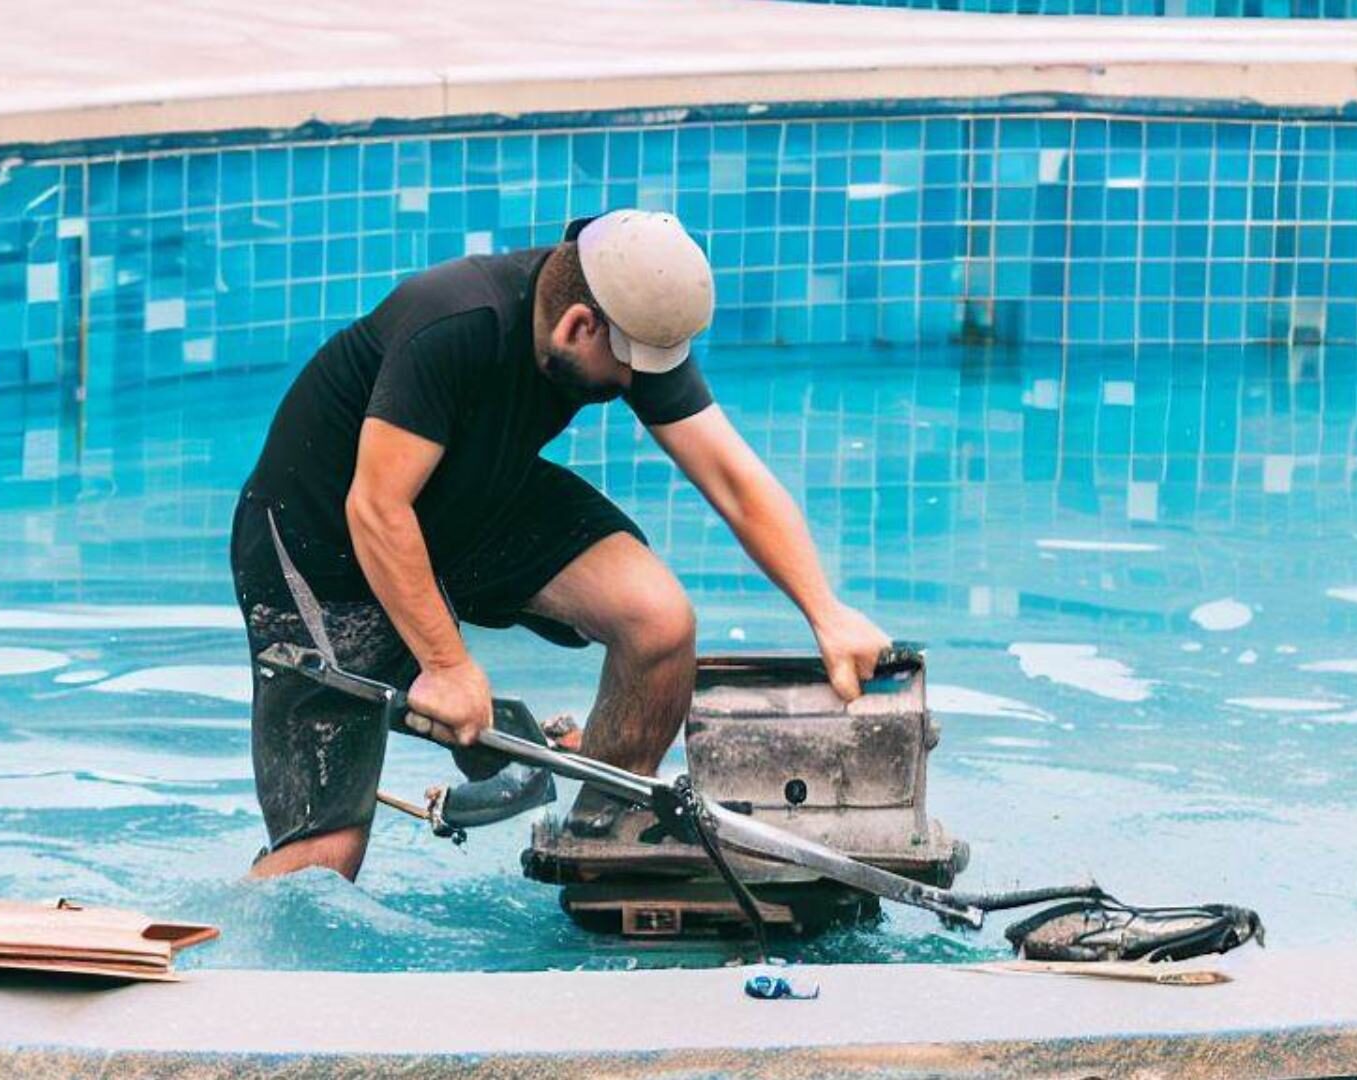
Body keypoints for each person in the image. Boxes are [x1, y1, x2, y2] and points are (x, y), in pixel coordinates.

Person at [231, 209, 892, 880]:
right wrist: (448, 665)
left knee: (657, 623)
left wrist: (826, 612)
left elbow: (733, 478)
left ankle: (599, 851)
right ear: (580, 325)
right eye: (629, 367)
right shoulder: (456, 320)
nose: (640, 383)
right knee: (323, 861)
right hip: (323, 543)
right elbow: (376, 507)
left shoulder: (623, 312)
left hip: (472, 494)